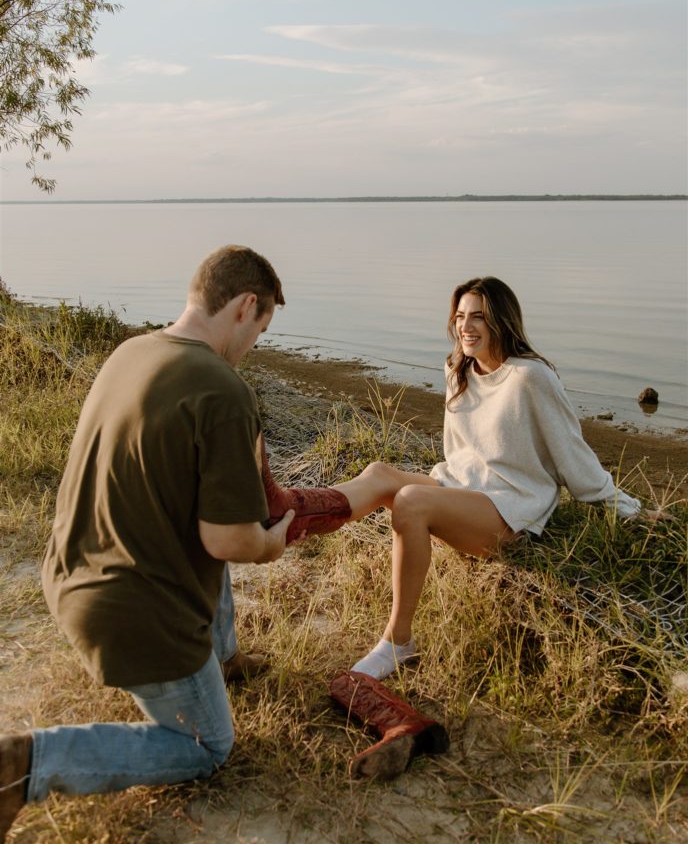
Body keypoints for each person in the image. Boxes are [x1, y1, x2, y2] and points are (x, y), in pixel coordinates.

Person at [0, 245, 297, 841]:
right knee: (208, 745)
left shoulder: (131, 351)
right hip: (127, 613)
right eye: (260, 331)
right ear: (245, 307)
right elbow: (229, 540)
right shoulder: (223, 389)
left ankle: (226, 657)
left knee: (209, 512)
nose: (254, 348)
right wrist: (271, 544)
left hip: (68, 573)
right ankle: (26, 765)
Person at [331, 276, 644, 680]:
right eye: (460, 316)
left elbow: (574, 457)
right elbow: (456, 453)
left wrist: (628, 510)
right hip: (464, 490)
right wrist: (450, 491)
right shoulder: (457, 369)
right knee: (380, 474)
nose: (465, 326)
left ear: (502, 321)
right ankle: (299, 513)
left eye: (478, 317)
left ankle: (397, 642)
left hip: (510, 508)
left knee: (410, 499)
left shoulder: (530, 378)